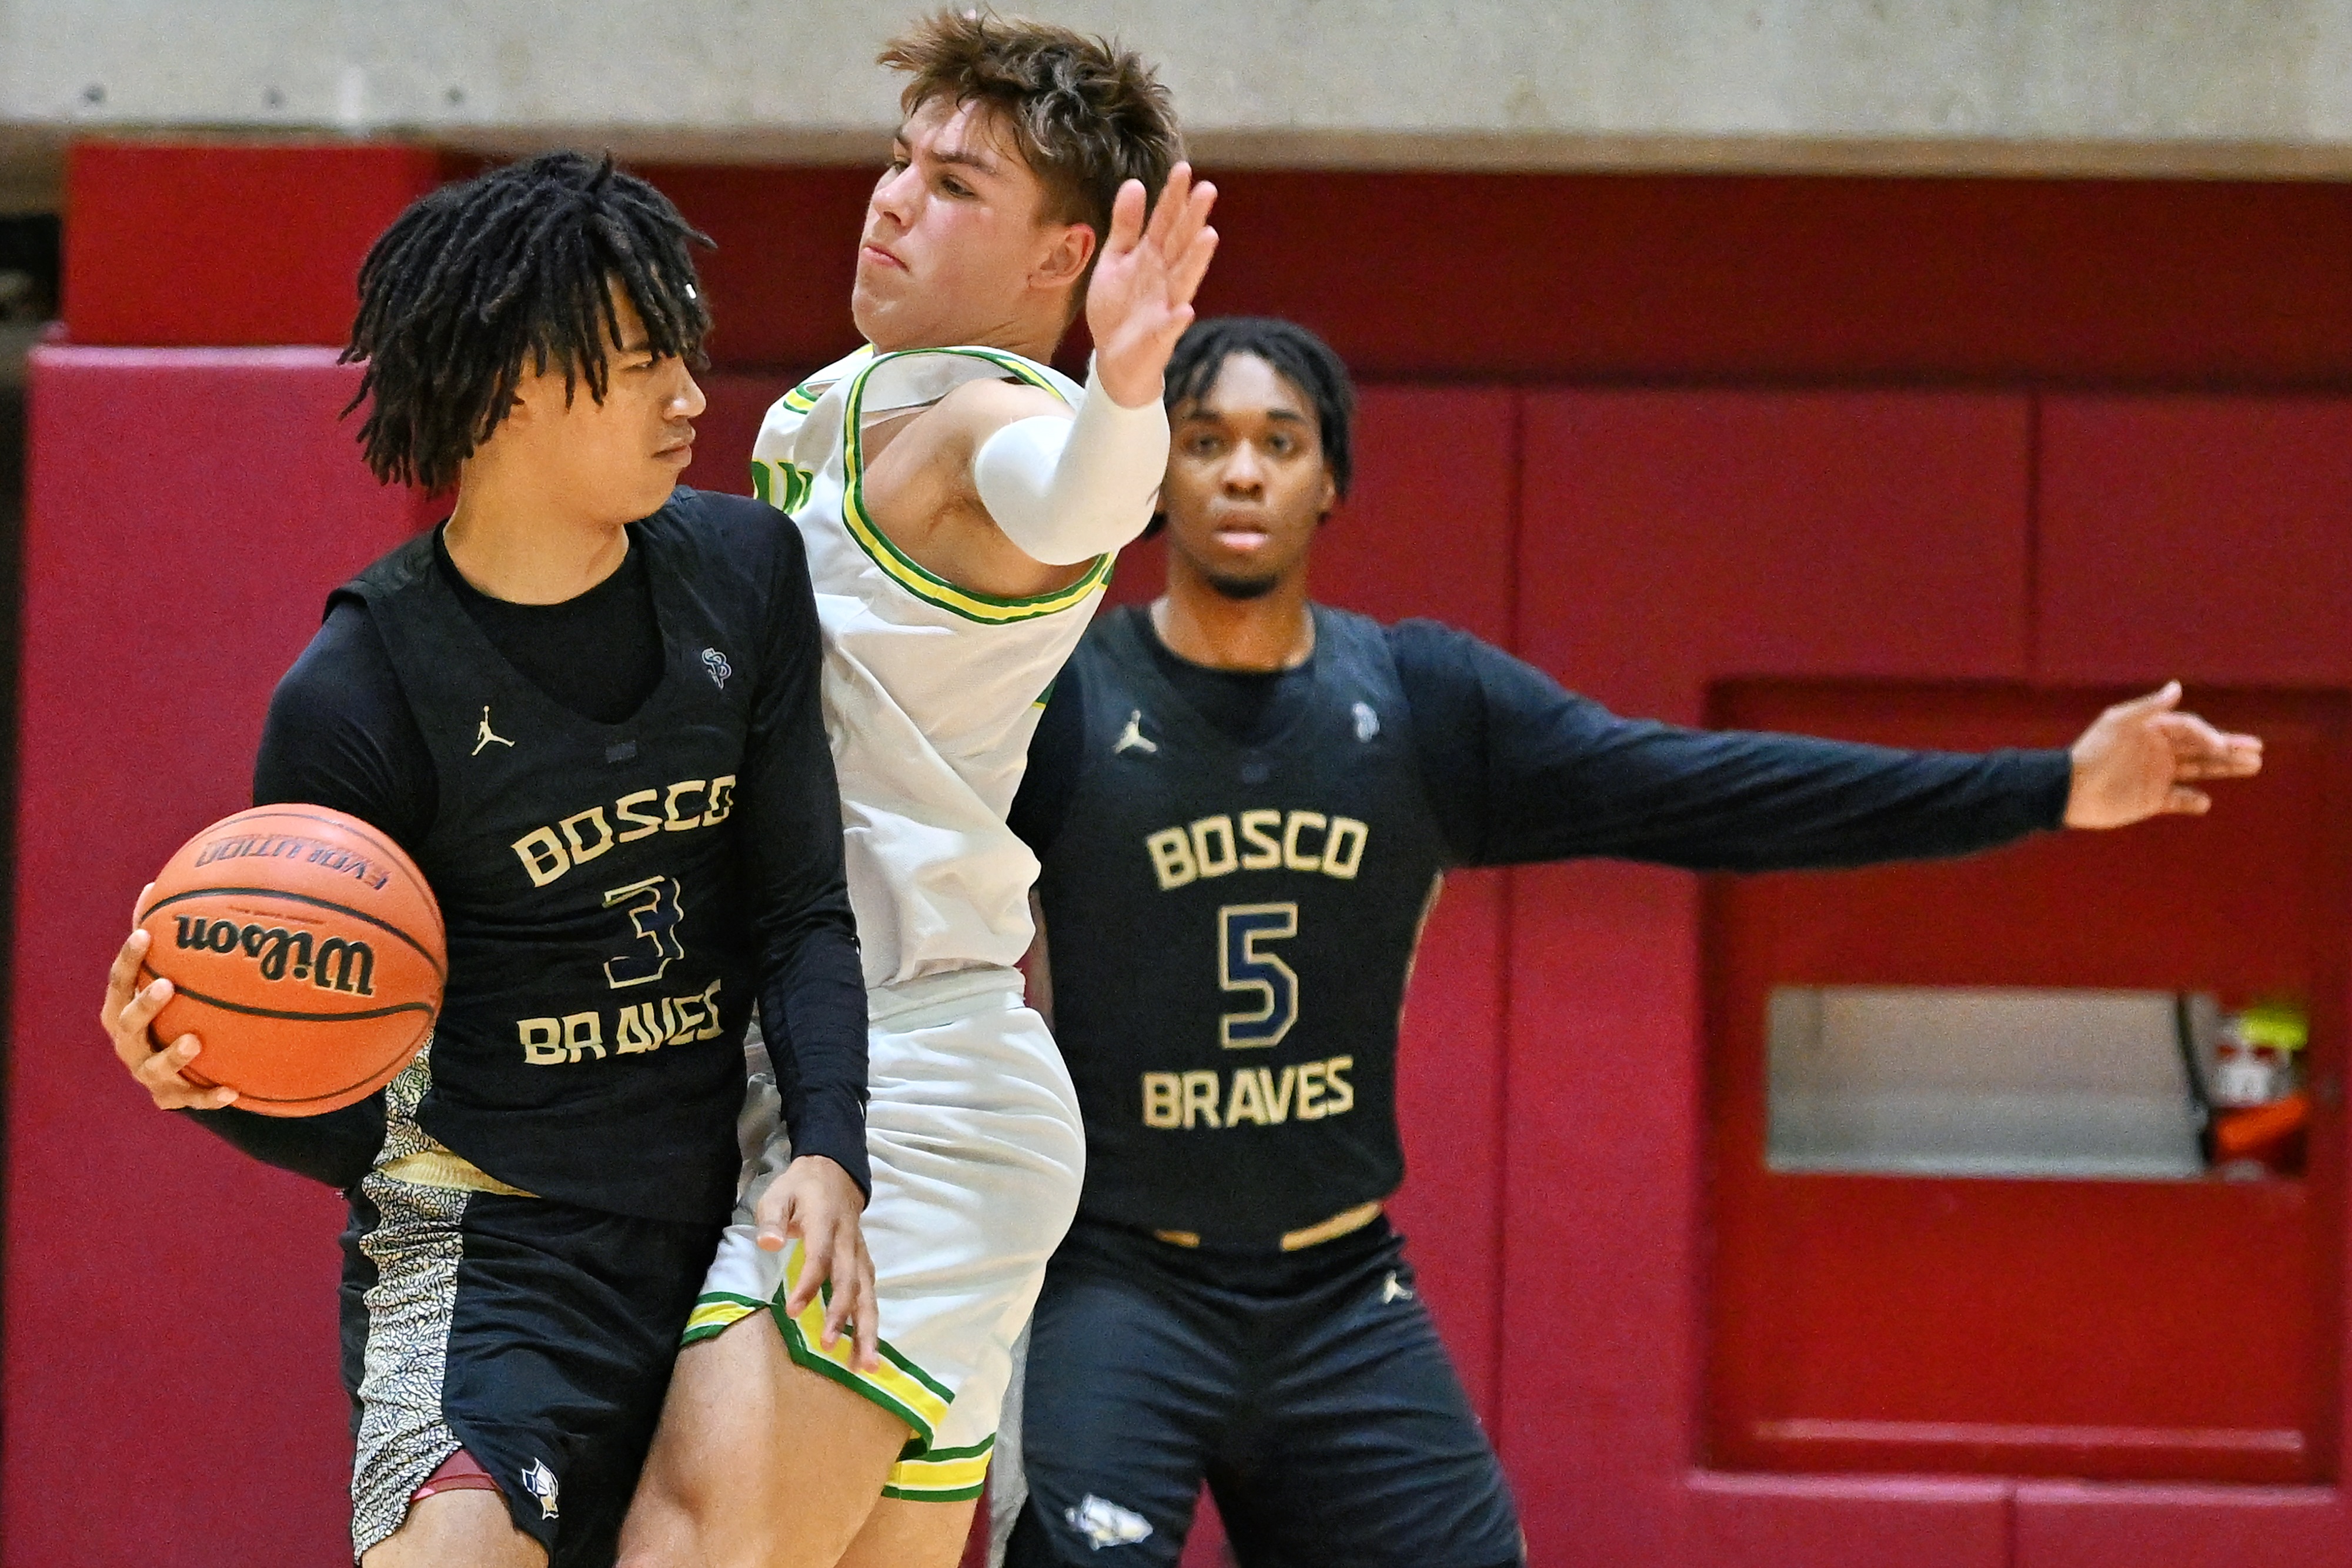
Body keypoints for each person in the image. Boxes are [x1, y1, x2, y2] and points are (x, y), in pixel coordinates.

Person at [996, 316, 2266, 1568]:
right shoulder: (1061, 700)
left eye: (1279, 440)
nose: (1238, 469)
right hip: (1119, 1280)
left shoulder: (1422, 704)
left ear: (1330, 478)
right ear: (1151, 469)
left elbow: (1708, 790)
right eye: (1203, 437)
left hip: (1335, 1287)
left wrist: (2047, 787)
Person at [98, 152, 876, 1568]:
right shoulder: (354, 696)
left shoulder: (748, 574)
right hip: (482, 1254)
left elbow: (800, 912)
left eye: (685, 351)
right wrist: (206, 1073)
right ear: (515, 383)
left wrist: (830, 1148)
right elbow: (343, 1112)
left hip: (723, 1225)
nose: (692, 395)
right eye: (643, 362)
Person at [613, 15, 1216, 1568]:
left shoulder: (990, 423)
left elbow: (1076, 493)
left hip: (906, 1098)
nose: (892, 199)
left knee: (690, 1545)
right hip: (841, 1071)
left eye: (955, 184)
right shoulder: (827, 405)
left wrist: (1130, 392)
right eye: (900, 161)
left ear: (1058, 262)